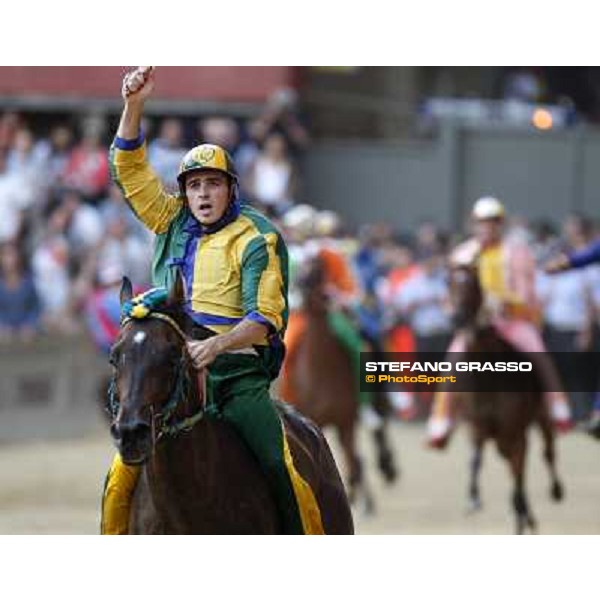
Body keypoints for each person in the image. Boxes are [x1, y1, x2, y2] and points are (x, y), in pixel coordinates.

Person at [101, 66, 323, 535]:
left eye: (212, 184)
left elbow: (265, 317)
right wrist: (134, 105)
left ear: (230, 188)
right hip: (171, 373)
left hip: (235, 374)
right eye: (194, 185)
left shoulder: (258, 235)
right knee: (119, 476)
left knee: (278, 461)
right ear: (184, 192)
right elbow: (128, 170)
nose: (203, 194)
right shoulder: (168, 218)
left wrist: (216, 347)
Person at [427, 196, 573, 448]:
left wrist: (503, 301)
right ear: (474, 224)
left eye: (493, 222)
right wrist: (453, 309)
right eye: (483, 222)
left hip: (512, 320)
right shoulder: (463, 254)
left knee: (538, 353)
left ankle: (557, 406)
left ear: (500, 224)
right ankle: (442, 421)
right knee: (452, 360)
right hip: (476, 325)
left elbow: (527, 293)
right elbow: (451, 293)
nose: (487, 227)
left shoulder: (516, 253)